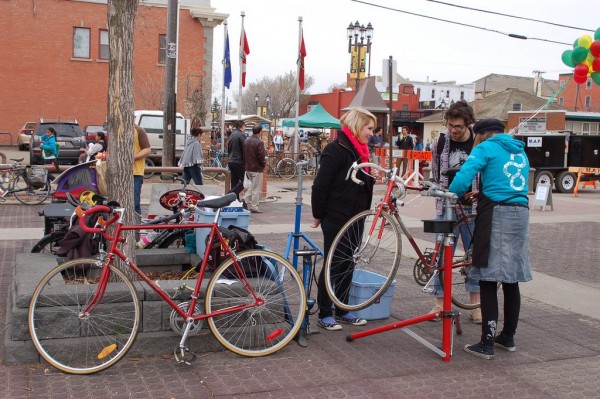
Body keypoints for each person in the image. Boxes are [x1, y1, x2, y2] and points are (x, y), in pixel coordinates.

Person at [449, 118, 531, 360]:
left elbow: (463, 178)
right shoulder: (519, 150)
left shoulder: (485, 147)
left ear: (482, 134)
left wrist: (451, 193)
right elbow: (507, 183)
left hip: (496, 214)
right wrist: (481, 192)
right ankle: (508, 336)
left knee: (486, 275)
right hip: (520, 213)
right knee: (511, 278)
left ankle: (486, 343)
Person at [311, 107, 378, 331]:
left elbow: (357, 183)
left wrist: (371, 178)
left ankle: (342, 308)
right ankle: (325, 311)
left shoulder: (361, 151)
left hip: (356, 216)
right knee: (334, 262)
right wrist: (318, 214)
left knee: (348, 262)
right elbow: (321, 185)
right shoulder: (336, 149)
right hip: (336, 215)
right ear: (357, 125)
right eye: (369, 128)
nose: (371, 133)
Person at [429, 100, 481, 323]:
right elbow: (434, 171)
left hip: (472, 208)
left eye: (458, 126)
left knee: (475, 256)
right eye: (450, 125)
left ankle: (474, 304)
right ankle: (440, 302)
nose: (453, 130)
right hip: (446, 207)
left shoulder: (478, 142)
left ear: (468, 123)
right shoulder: (440, 141)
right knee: (440, 254)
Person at [242, 125, 267, 213]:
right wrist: (263, 164)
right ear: (260, 132)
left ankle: (244, 200)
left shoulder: (247, 140)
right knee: (256, 189)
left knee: (252, 186)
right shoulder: (259, 142)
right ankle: (254, 206)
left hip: (248, 167)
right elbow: (261, 156)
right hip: (257, 168)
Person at [133, 125, 151, 216]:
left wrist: (133, 158)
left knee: (134, 202)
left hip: (135, 172)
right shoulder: (115, 129)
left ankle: (136, 225)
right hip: (117, 173)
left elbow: (147, 149)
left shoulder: (139, 130)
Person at [227, 120, 246, 199]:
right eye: (244, 126)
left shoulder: (232, 135)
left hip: (231, 160)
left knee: (234, 181)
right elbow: (244, 149)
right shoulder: (241, 135)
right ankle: (231, 194)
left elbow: (229, 148)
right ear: (242, 126)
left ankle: (234, 200)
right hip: (238, 161)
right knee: (245, 181)